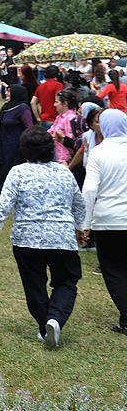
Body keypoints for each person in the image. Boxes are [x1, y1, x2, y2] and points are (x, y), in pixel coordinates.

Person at [0, 126, 85, 348]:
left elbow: (3, 206)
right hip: (61, 237)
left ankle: (45, 325)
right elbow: (78, 203)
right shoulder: (64, 172)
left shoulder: (18, 172)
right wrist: (81, 228)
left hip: (27, 239)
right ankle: (55, 319)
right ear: (51, 148)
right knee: (66, 281)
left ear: (24, 150)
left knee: (34, 284)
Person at [81, 109, 127, 335]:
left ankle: (126, 317)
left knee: (113, 269)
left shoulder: (99, 153)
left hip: (108, 219)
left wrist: (84, 223)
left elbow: (89, 190)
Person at [49, 90, 81, 164]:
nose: (54, 104)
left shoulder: (71, 119)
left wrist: (60, 137)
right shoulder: (59, 117)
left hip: (64, 159)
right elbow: (50, 131)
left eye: (56, 102)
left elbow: (72, 141)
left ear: (65, 104)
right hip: (56, 156)